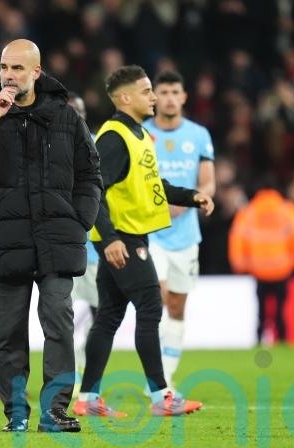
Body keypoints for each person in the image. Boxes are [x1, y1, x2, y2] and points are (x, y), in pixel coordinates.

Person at [0, 39, 102, 433]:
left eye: (17, 68)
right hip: (3, 241)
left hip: (56, 240)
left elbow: (90, 173)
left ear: (36, 72)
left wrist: (80, 220)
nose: (9, 76)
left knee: (59, 323)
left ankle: (54, 411)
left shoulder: (66, 118)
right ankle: (16, 412)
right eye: (4, 68)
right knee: (7, 333)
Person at [72, 65, 213, 418]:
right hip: (122, 239)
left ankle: (87, 398)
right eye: (147, 91)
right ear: (124, 98)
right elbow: (91, 189)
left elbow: (154, 185)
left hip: (127, 236)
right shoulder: (115, 136)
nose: (154, 97)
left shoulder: (138, 135)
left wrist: (192, 196)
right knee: (150, 306)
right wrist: (108, 239)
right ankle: (161, 396)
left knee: (108, 317)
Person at [143, 70, 215, 392]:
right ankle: (156, 380)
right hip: (151, 231)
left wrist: (192, 200)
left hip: (186, 236)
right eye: (164, 92)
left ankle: (167, 377)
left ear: (184, 97)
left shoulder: (198, 135)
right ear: (155, 97)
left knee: (176, 306)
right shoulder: (142, 133)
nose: (170, 98)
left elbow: (208, 181)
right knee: (156, 298)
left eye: (175, 92)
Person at [228, 187, 294, 344]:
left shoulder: (248, 212)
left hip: (258, 270)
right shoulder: (288, 210)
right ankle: (283, 340)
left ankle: (259, 340)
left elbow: (237, 239)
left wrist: (239, 264)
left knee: (260, 312)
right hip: (282, 269)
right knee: (281, 310)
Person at [67, 92, 99, 398]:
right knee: (65, 314)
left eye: (78, 111)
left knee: (98, 316)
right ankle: (71, 375)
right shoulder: (48, 146)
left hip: (95, 249)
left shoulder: (98, 145)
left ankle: (87, 374)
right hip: (63, 247)